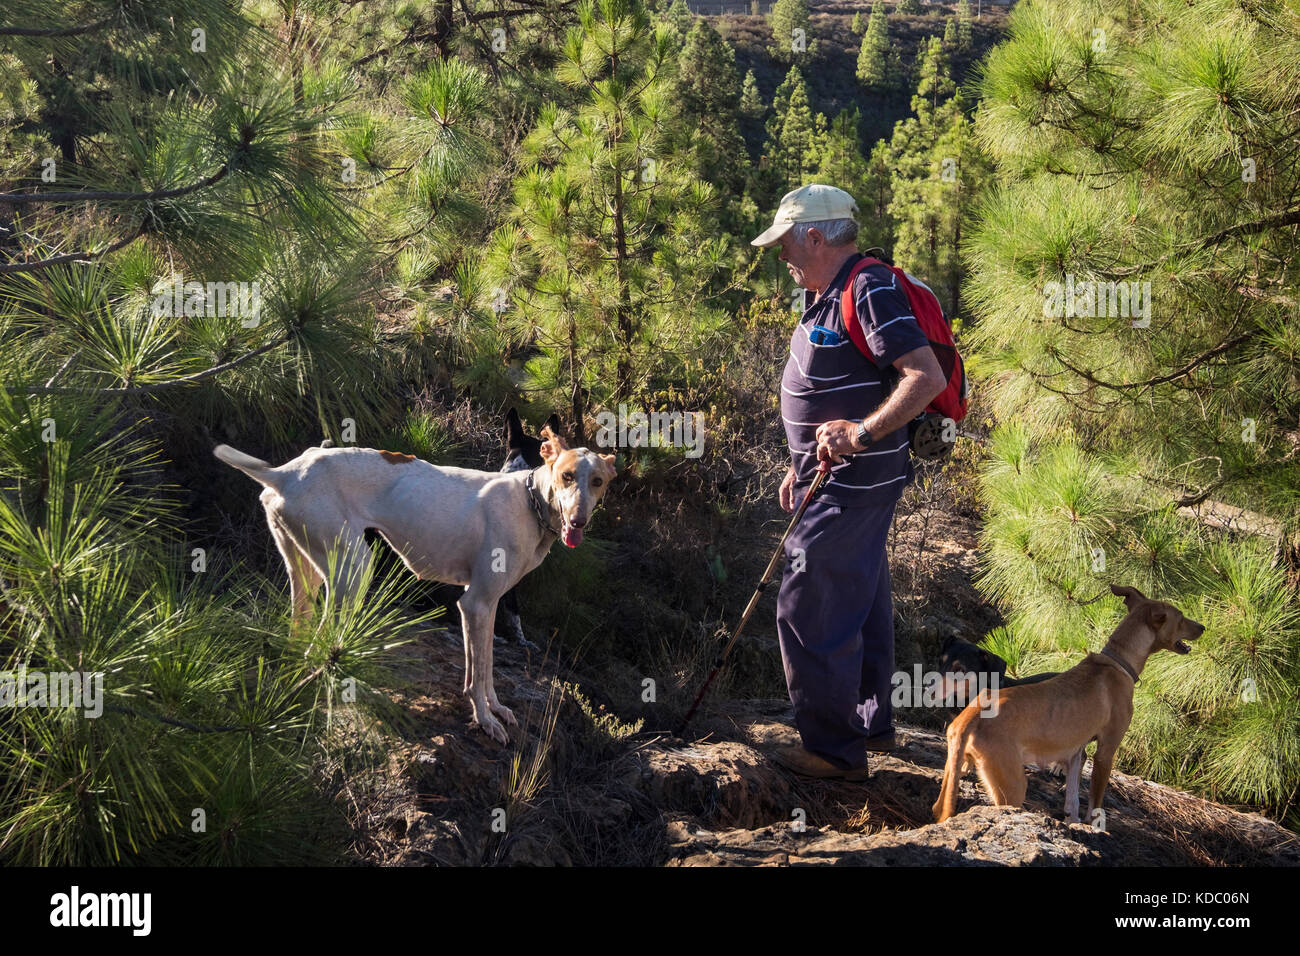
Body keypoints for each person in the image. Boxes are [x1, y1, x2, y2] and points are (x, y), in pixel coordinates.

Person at [751, 184, 947, 780]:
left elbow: (925, 377)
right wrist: (796, 461)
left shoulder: (869, 288)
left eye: (786, 242)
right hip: (833, 478)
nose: (781, 255)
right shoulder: (826, 292)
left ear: (814, 235)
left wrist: (860, 435)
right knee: (858, 594)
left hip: (855, 480)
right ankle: (870, 725)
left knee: (807, 599)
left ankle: (833, 752)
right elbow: (824, 388)